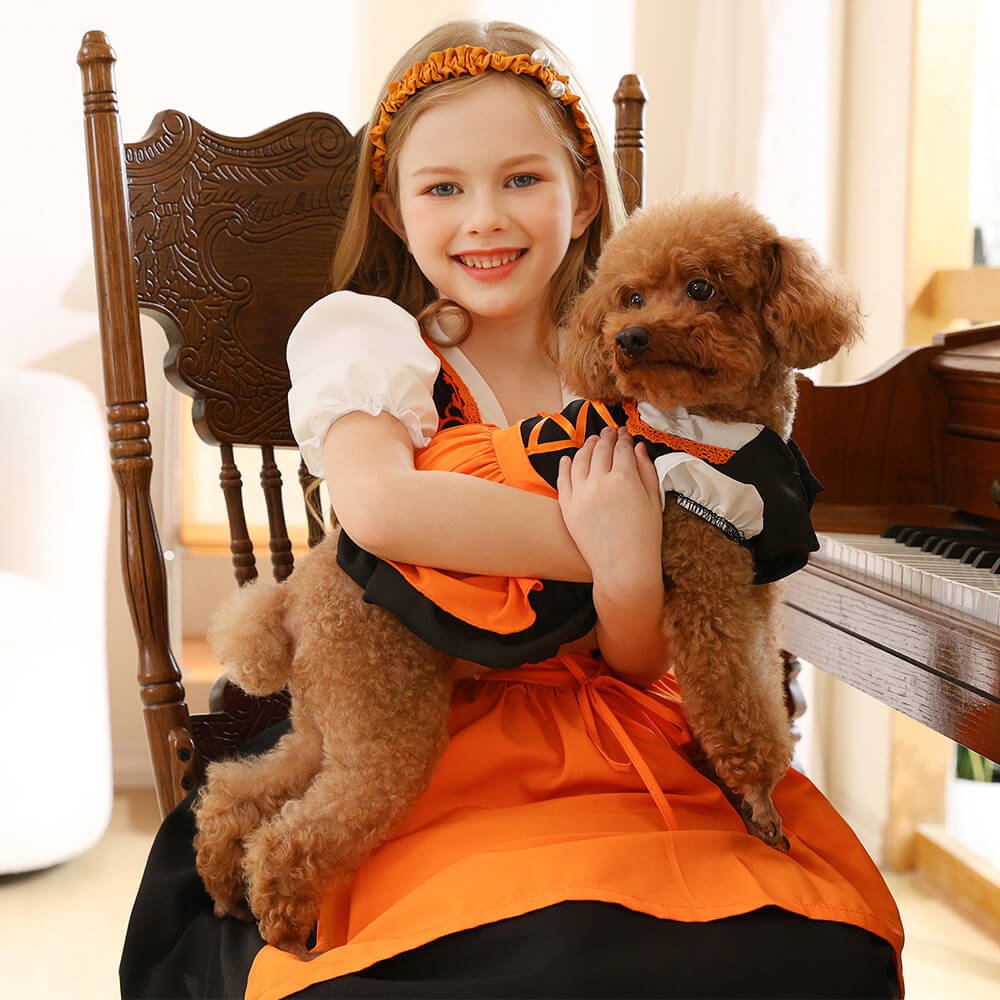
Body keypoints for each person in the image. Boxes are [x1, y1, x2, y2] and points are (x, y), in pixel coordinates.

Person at [120, 18, 904, 999]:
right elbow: (379, 508)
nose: (484, 217)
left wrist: (630, 576)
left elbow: (637, 651)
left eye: (521, 179)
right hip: (436, 730)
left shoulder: (638, 376)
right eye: (443, 187)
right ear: (397, 212)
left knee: (790, 953)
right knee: (529, 957)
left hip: (623, 736)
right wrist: (616, 540)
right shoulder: (373, 341)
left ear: (581, 196)